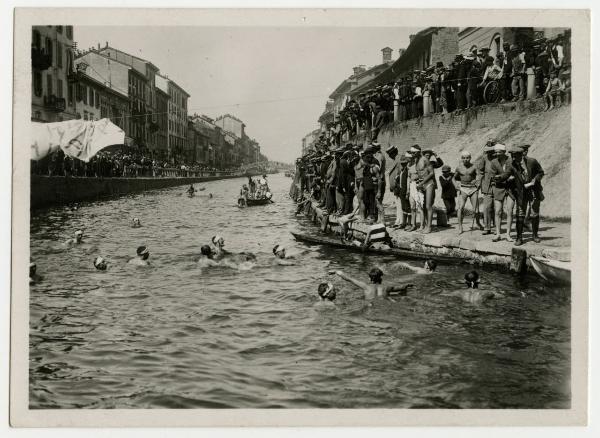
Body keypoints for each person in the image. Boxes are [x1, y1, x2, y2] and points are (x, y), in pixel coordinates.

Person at [329, 268, 413, 300]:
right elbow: (401, 287)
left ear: (370, 279)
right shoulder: (386, 287)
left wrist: (337, 271)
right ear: (381, 278)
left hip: (370, 307)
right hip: (384, 305)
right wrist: (408, 285)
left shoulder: (366, 287)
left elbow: (349, 279)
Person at [454, 150, 483, 234]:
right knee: (460, 208)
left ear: (470, 158)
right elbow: (454, 178)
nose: (465, 159)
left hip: (473, 188)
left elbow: (479, 175)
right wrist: (456, 185)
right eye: (463, 158)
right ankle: (460, 226)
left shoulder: (474, 166)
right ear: (461, 158)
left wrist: (477, 182)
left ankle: (477, 223)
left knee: (476, 210)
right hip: (463, 188)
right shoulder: (459, 167)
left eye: (467, 158)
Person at [489, 144, 514, 242]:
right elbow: (493, 176)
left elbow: (515, 174)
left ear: (504, 152)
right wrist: (506, 178)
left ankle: (508, 234)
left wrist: (500, 177)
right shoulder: (494, 162)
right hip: (499, 188)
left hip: (511, 188)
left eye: (499, 152)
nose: (497, 154)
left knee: (510, 211)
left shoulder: (511, 160)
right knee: (498, 211)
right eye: (496, 152)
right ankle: (498, 234)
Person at [520, 144, 545, 242]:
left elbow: (541, 172)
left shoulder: (532, 161)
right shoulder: (513, 162)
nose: (523, 153)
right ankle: (519, 237)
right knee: (520, 212)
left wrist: (535, 179)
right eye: (521, 151)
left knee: (535, 213)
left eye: (525, 151)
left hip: (533, 190)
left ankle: (535, 235)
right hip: (522, 191)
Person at [476, 141, 497, 235]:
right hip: (487, 186)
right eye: (488, 151)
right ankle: (487, 227)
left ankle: (497, 228)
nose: (490, 153)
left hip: (498, 185)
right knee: (487, 207)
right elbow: (480, 171)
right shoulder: (484, 158)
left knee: (497, 208)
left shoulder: (499, 158)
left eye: (491, 151)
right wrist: (478, 182)